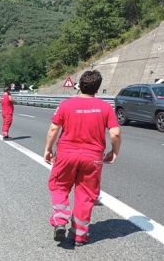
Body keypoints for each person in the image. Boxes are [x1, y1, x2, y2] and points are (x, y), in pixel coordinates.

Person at [44, 70, 121, 246]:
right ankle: (79, 235)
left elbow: (53, 129)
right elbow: (115, 133)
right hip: (92, 157)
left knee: (59, 186)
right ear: (98, 87)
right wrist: (114, 151)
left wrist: (48, 149)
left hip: (66, 155)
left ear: (80, 84)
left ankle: (61, 218)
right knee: (85, 195)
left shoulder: (66, 105)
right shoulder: (105, 107)